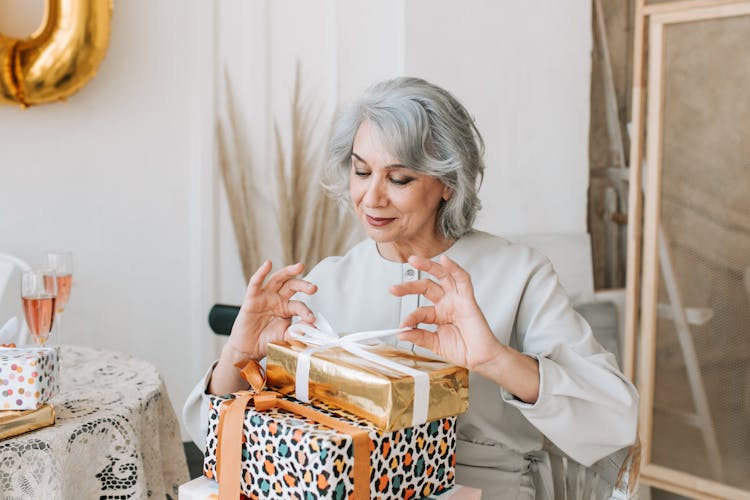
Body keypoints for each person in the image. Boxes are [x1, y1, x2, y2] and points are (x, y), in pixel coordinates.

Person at [183, 76, 638, 499]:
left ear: (448, 183)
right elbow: (219, 443)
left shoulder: (520, 274)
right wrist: (238, 353)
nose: (372, 197)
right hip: (355, 483)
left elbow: (614, 423)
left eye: (399, 179)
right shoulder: (325, 283)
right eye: (362, 172)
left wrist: (495, 360)